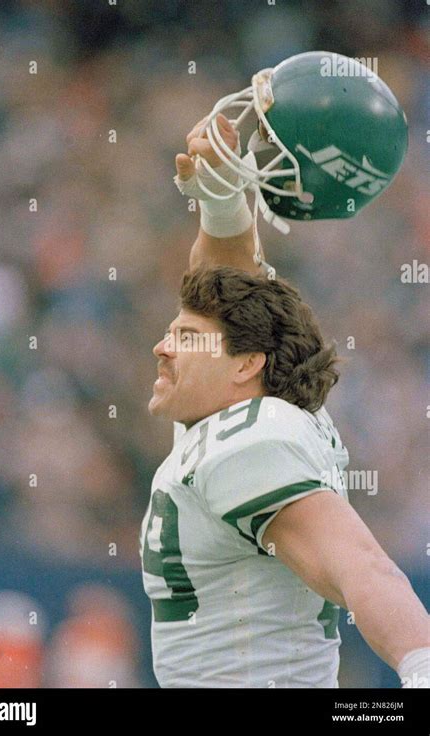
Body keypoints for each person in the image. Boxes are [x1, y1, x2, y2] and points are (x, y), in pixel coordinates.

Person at [139, 92, 429, 687]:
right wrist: (222, 203)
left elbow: (360, 566)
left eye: (183, 337)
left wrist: (420, 664)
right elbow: (227, 292)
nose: (162, 347)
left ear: (246, 365)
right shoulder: (240, 409)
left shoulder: (248, 440)